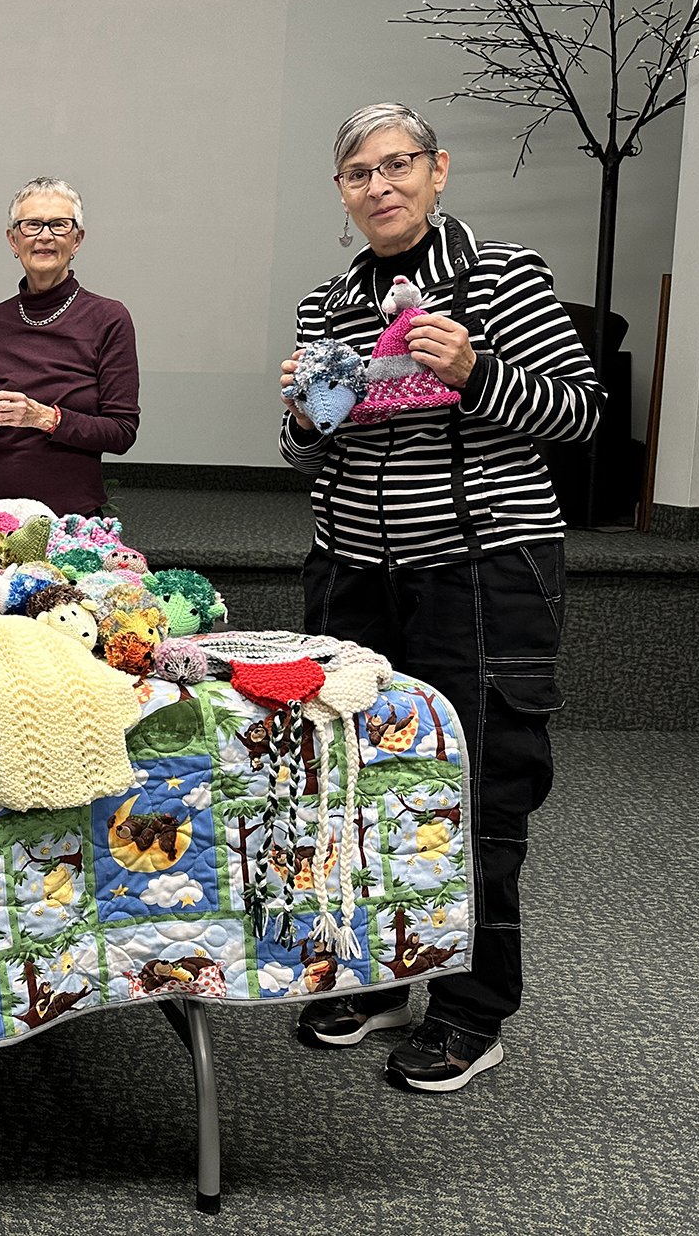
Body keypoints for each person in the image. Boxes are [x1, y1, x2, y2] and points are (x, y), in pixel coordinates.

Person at [280, 102, 601, 1092]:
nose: (378, 185)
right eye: (357, 173)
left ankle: (470, 1006)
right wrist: (302, 408)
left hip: (482, 570)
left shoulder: (500, 275)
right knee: (354, 782)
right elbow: (298, 451)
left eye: (397, 164)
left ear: (436, 170)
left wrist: (472, 370)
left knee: (479, 788)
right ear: (339, 192)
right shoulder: (325, 303)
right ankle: (380, 978)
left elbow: (579, 412)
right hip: (350, 573)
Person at [0, 176, 139, 514]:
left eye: (59, 225)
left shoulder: (109, 318)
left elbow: (122, 432)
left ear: (77, 240)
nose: (45, 236)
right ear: (13, 240)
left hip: (66, 513)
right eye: (32, 225)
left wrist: (44, 418)